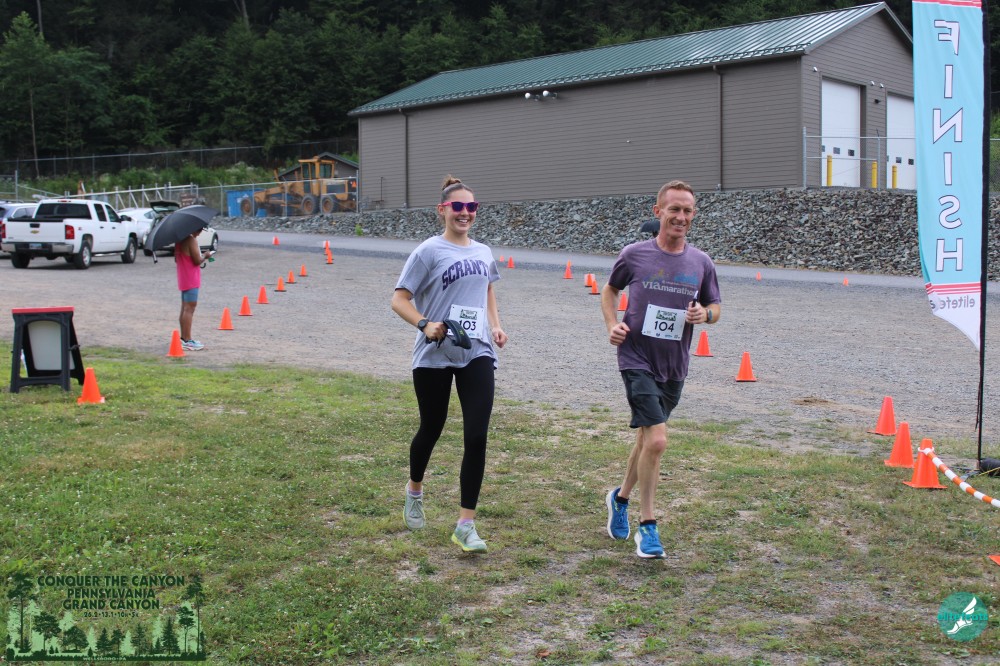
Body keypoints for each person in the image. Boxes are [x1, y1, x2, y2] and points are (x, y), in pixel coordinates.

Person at [600, 180, 721, 559]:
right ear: (658, 212)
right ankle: (648, 526)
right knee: (657, 441)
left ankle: (619, 499)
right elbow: (609, 290)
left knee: (646, 440)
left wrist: (705, 315)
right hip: (636, 358)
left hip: (674, 364)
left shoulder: (701, 262)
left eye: (687, 210)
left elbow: (716, 307)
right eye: (674, 209)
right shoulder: (634, 255)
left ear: (693, 215)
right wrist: (612, 325)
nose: (681, 217)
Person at [391, 175, 508, 553]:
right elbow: (399, 299)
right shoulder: (428, 251)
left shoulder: (483, 252)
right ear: (442, 210)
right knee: (432, 427)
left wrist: (495, 325)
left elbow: (487, 288)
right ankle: (414, 490)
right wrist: (425, 324)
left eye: (471, 207)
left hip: (476, 350)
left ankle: (465, 525)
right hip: (435, 353)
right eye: (458, 206)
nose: (465, 213)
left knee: (476, 435)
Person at [175, 228, 212, 351]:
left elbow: (177, 259)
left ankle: (183, 338)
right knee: (190, 308)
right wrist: (206, 255)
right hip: (191, 278)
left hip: (183, 277)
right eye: (200, 229)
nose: (200, 232)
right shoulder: (191, 240)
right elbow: (197, 260)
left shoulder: (179, 241)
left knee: (184, 308)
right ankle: (187, 340)